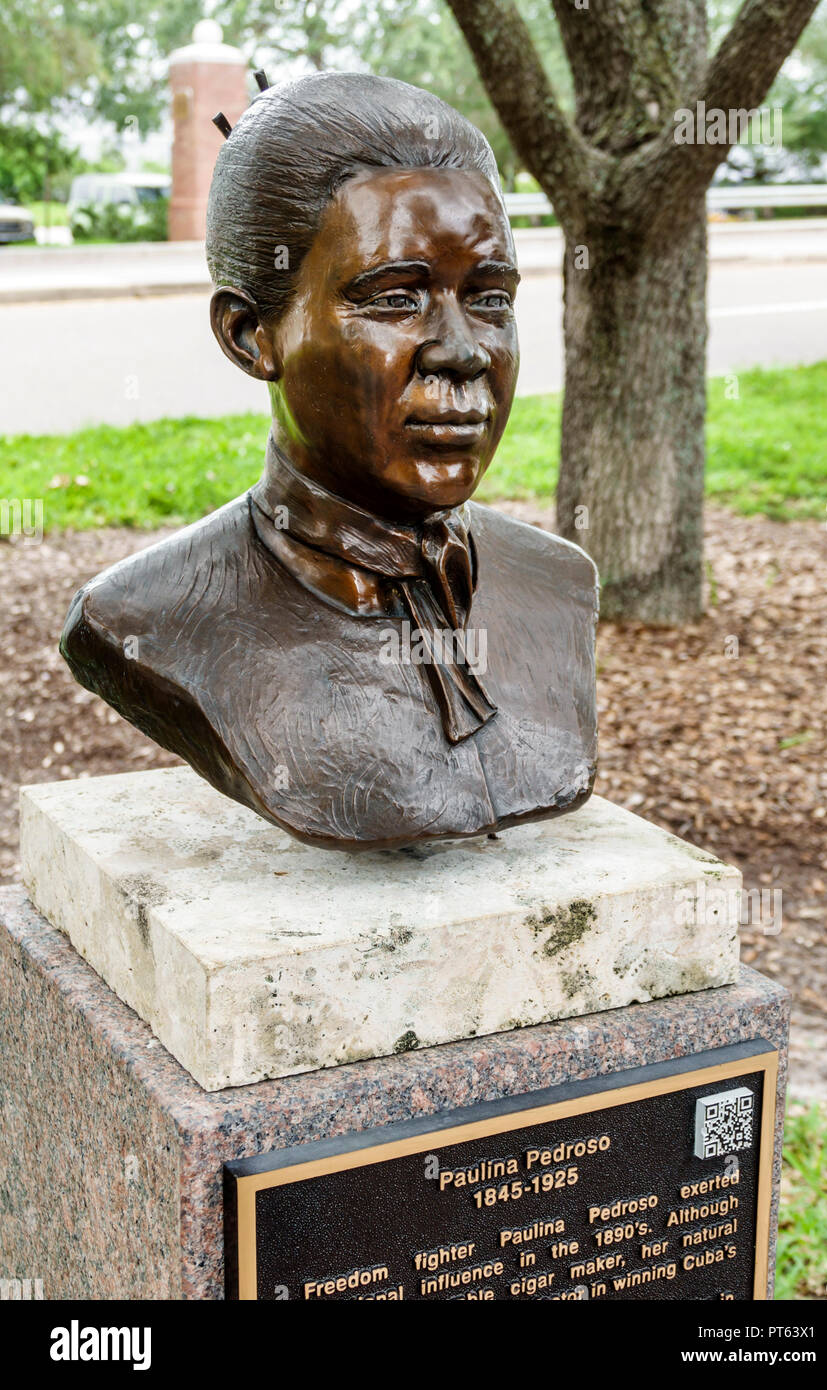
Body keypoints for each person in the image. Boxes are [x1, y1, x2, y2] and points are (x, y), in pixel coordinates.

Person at [61, 72, 597, 852]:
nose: (461, 351)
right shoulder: (139, 621)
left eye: (489, 299)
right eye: (394, 299)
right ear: (251, 335)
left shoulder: (559, 583)